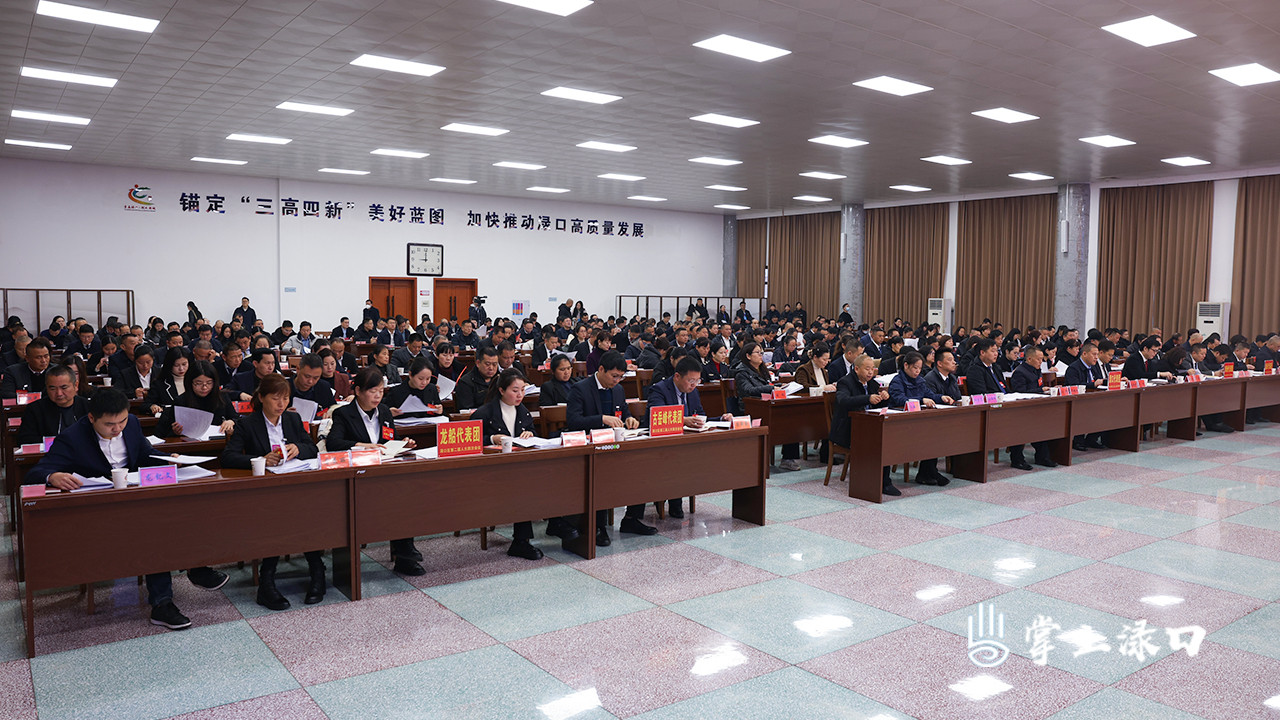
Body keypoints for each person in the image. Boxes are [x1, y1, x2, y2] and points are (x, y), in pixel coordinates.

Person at [29, 388, 229, 629]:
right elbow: (36, 472)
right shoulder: (72, 437)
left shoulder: (132, 423)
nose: (117, 429)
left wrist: (168, 458)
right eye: (109, 424)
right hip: (101, 511)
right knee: (154, 530)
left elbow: (145, 453)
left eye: (122, 421)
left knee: (179, 511)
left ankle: (194, 568)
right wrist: (53, 476)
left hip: (136, 500)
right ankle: (165, 600)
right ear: (91, 418)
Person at [220, 374, 322, 609]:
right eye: (276, 398)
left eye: (285, 398)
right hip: (266, 492)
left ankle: (317, 573)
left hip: (296, 485)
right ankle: (267, 581)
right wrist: (260, 459)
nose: (281, 404)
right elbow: (228, 457)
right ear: (261, 398)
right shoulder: (248, 423)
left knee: (311, 512)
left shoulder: (293, 419)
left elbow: (312, 448)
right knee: (278, 517)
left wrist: (299, 448)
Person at [327, 367, 424, 573]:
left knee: (404, 496)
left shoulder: (385, 411)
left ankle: (404, 555)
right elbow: (333, 444)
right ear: (358, 391)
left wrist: (404, 443)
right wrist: (363, 446)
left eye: (381, 391)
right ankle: (405, 551)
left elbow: (390, 440)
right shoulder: (344, 413)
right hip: (358, 478)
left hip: (384, 474)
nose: (378, 396)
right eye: (373, 391)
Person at [566, 351, 651, 545]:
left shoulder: (618, 389)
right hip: (592, 449)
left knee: (642, 467)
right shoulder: (580, 389)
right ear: (601, 369)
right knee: (601, 476)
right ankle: (598, 526)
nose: (617, 380)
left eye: (621, 377)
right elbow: (573, 421)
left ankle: (631, 519)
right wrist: (602, 419)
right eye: (614, 376)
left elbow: (624, 412)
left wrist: (629, 419)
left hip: (615, 445)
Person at [468, 369, 544, 559]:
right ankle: (521, 541)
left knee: (542, 481)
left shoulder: (523, 411)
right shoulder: (485, 412)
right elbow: (469, 440)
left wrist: (530, 434)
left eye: (523, 390)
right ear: (501, 390)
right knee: (524, 487)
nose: (520, 395)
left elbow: (532, 433)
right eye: (515, 390)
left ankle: (557, 523)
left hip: (518, 469)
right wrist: (491, 438)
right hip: (491, 473)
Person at [646, 356, 732, 517]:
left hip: (686, 442)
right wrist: (683, 420)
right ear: (677, 376)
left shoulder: (693, 392)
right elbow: (657, 417)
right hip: (662, 444)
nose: (694, 385)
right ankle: (673, 499)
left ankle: (677, 497)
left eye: (697, 381)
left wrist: (721, 419)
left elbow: (700, 416)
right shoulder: (659, 389)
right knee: (676, 459)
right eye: (691, 381)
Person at [829, 354, 898, 494]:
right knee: (879, 441)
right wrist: (867, 398)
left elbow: (876, 406)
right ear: (856, 369)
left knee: (887, 439)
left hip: (868, 426)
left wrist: (884, 398)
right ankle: (879, 482)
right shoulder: (845, 382)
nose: (870, 372)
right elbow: (843, 401)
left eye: (872, 369)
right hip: (848, 429)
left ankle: (883, 481)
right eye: (867, 369)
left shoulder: (872, 383)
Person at [888, 351, 954, 485]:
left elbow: (930, 395)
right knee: (928, 436)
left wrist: (941, 397)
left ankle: (928, 472)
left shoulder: (920, 380)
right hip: (901, 423)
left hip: (918, 421)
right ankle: (928, 472)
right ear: (906, 365)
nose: (918, 371)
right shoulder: (897, 381)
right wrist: (921, 400)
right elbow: (900, 400)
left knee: (935, 435)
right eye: (915, 368)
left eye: (919, 368)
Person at [157, 361, 239, 438]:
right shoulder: (181, 401)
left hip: (216, 442)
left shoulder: (222, 397)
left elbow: (236, 419)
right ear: (190, 382)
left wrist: (231, 422)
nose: (204, 387)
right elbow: (165, 432)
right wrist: (175, 432)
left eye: (209, 383)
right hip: (189, 444)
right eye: (198, 383)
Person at [1006, 345, 1057, 469]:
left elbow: (1038, 386)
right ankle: (1017, 459)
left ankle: (1042, 457)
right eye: (1038, 359)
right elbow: (1020, 392)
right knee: (1022, 428)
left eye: (1042, 359)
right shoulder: (1020, 372)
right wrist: (1041, 390)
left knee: (1045, 425)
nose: (1041, 362)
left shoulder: (1036, 369)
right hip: (1021, 409)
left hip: (1036, 406)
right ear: (1029, 359)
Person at [17, 365, 87, 444]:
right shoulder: (35, 409)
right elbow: (25, 439)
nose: (59, 393)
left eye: (64, 387)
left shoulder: (88, 406)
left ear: (76, 385)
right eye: (52, 389)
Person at [454, 345, 500, 410]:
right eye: (487, 364)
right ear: (478, 363)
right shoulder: (466, 382)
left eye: (494, 364)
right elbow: (466, 410)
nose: (491, 368)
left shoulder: (500, 379)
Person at [147, 347, 191, 414]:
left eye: (184, 364)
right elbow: (146, 404)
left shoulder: (195, 381)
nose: (181, 369)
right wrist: (153, 406)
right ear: (169, 365)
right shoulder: (159, 384)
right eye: (176, 365)